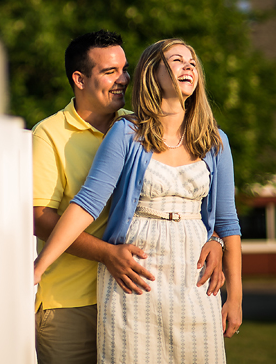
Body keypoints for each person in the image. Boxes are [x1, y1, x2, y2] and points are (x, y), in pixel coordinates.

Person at [34, 38, 242, 364]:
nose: (188, 66)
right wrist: (38, 267)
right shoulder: (127, 131)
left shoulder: (213, 138)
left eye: (191, 61)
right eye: (176, 60)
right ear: (153, 73)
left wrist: (234, 292)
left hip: (193, 278)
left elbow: (226, 218)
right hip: (134, 277)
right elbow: (86, 203)